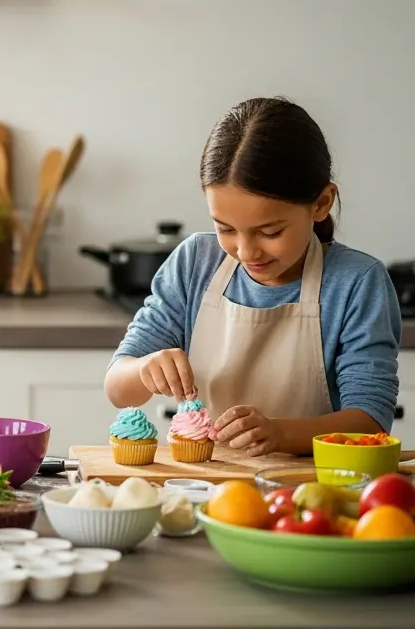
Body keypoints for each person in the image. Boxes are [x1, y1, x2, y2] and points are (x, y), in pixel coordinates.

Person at [105, 97, 401, 456]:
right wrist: (144, 369)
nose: (246, 252)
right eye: (225, 229)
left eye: (269, 232)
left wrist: (280, 433)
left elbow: (371, 421)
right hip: (205, 481)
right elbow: (117, 387)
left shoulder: (356, 283)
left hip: (314, 485)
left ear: (321, 204)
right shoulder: (195, 263)